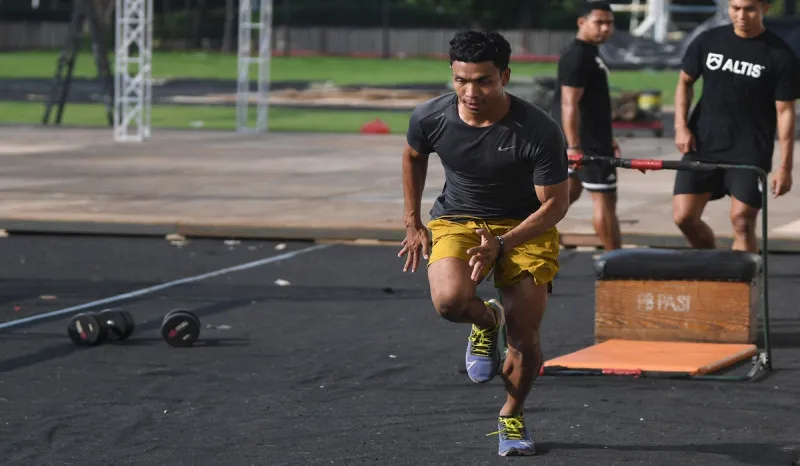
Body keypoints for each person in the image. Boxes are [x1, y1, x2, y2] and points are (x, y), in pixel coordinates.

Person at [398, 30, 570, 457]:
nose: (471, 92)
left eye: (483, 81)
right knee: (450, 303)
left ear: (505, 76)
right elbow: (412, 156)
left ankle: (511, 414)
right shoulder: (430, 117)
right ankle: (485, 320)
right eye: (461, 80)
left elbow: (554, 205)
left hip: (524, 225)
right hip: (458, 217)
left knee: (525, 339)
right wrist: (413, 222)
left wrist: (502, 243)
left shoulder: (538, 130)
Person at [673, 0, 799, 253]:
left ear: (764, 8)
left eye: (749, 9)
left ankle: (744, 285)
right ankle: (715, 265)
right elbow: (684, 82)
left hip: (749, 150)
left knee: (742, 222)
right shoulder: (708, 40)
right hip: (703, 143)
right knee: (684, 218)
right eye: (735, 8)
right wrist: (681, 127)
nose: (741, 15)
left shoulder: (781, 55)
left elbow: (785, 112)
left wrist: (785, 166)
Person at [552, 1, 622, 251]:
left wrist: (608, 138)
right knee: (605, 199)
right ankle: (617, 261)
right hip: (584, 143)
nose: (605, 28)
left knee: (566, 194)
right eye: (599, 22)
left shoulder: (589, 53)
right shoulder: (578, 56)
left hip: (590, 139)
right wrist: (574, 147)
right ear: (582, 23)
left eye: (609, 23)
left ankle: (525, 235)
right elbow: (569, 104)